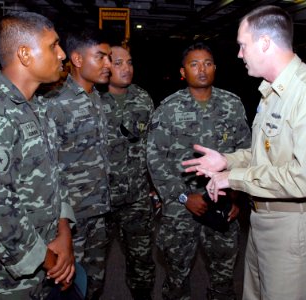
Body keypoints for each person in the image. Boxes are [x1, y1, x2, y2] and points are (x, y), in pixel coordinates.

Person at [182, 6, 306, 300]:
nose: (240, 54)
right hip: (263, 221)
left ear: (265, 43)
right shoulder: (272, 91)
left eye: (243, 45)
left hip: (293, 228)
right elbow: (265, 155)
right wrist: (227, 161)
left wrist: (233, 178)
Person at [0, 11, 76, 299]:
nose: (62, 54)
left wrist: (64, 233)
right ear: (25, 54)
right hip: (7, 281)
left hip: (49, 259)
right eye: (53, 46)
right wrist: (52, 262)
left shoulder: (39, 109)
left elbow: (55, 178)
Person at [147, 42, 251, 300]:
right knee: (176, 278)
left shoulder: (232, 104)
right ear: (183, 72)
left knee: (224, 277)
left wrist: (237, 197)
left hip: (223, 203)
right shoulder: (169, 109)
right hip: (181, 208)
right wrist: (183, 197)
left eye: (207, 63)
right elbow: (155, 158)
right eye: (194, 64)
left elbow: (247, 152)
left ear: (215, 68)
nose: (201, 69)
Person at [47, 28, 112, 300]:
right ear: (76, 59)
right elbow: (48, 170)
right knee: (69, 287)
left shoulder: (97, 98)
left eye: (108, 57)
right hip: (71, 219)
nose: (108, 65)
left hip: (98, 210)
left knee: (94, 283)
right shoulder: (55, 105)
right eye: (101, 57)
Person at [100, 45, 156, 300]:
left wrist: (155, 186)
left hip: (137, 198)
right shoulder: (91, 99)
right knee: (92, 264)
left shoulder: (143, 99)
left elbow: (152, 146)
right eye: (119, 62)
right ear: (105, 65)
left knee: (142, 260)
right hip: (100, 200)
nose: (127, 68)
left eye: (130, 62)